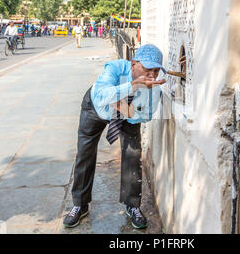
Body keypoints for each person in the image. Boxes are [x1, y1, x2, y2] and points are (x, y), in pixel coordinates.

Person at [63, 44, 167, 230]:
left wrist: (121, 107)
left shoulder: (155, 89)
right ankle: (80, 204)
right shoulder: (115, 68)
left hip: (128, 115)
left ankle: (132, 205)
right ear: (133, 63)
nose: (151, 75)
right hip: (96, 108)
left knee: (132, 155)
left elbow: (144, 117)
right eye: (147, 69)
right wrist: (133, 86)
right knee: (85, 154)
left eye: (156, 70)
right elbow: (102, 96)